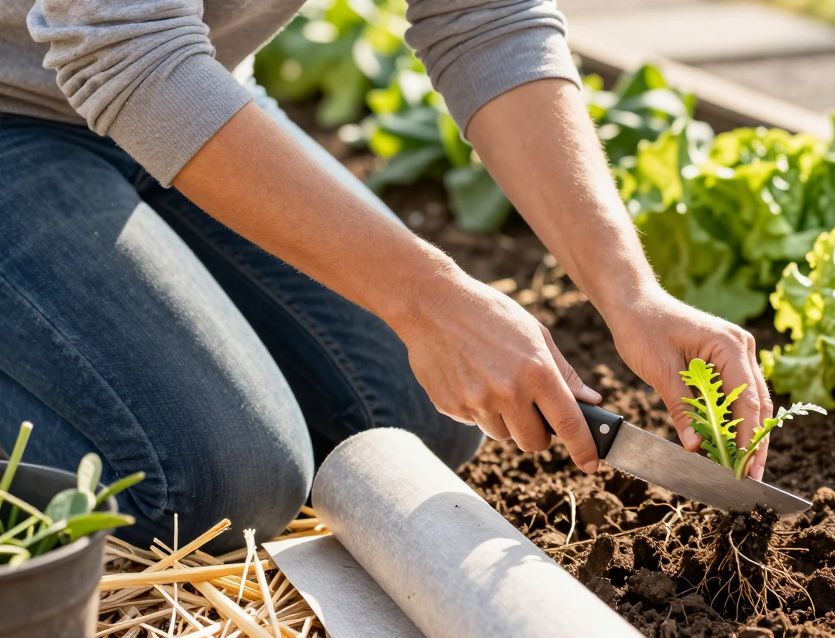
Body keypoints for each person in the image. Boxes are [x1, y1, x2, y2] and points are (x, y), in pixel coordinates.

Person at [0, 0, 772, 552]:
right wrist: (427, 300)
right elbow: (119, 43)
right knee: (206, 490)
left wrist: (632, 293)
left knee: (408, 417)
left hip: (179, 99)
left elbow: (484, 18)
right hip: (29, 108)